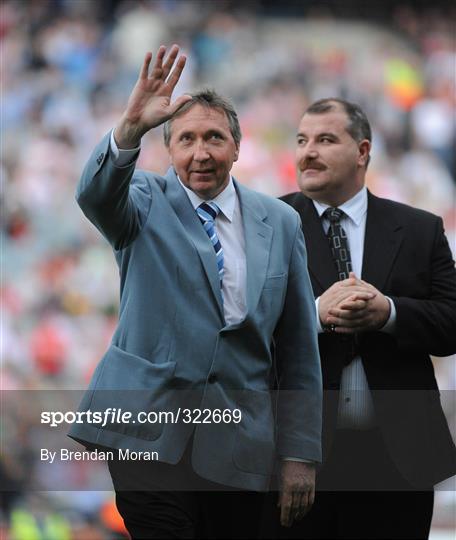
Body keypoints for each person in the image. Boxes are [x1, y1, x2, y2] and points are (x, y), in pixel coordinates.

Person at [69, 45, 322, 539]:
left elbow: (298, 351)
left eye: (213, 138)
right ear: (168, 148)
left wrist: (300, 454)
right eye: (185, 139)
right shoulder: (140, 200)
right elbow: (94, 194)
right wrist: (129, 128)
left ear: (236, 147)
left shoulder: (281, 222)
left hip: (238, 443)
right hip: (146, 428)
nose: (200, 152)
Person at [275, 98, 456, 539]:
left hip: (398, 460)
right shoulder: (268, 224)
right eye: (301, 140)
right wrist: (316, 315)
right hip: (300, 457)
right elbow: (242, 327)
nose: (308, 152)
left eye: (325, 139)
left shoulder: (419, 229)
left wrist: (389, 313)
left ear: (362, 151)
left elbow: (452, 323)